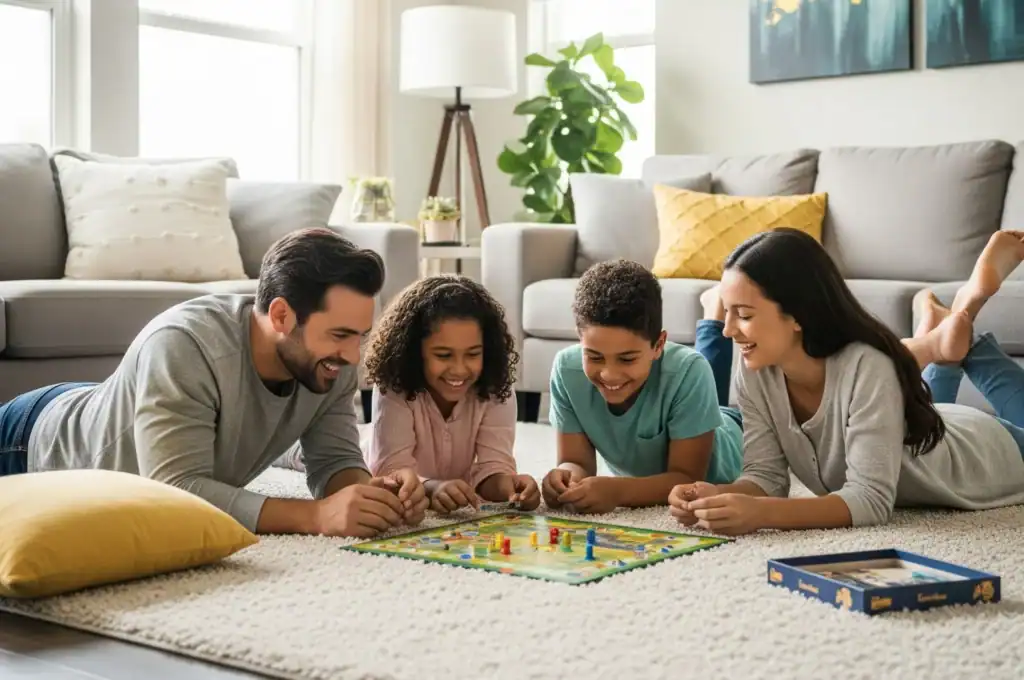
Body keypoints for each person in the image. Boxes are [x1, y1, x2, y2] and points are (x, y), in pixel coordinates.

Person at [0, 228, 428, 538]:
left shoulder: (330, 361)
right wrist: (315, 517)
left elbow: (334, 461)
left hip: (112, 408)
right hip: (29, 442)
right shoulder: (183, 345)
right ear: (281, 316)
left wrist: (375, 496)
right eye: (340, 335)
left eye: (360, 335)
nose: (354, 356)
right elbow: (175, 491)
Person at [669, 228, 1024, 535]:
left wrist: (761, 514)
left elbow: (870, 501)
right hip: (933, 429)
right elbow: (767, 476)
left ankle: (965, 329)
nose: (728, 330)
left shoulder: (867, 366)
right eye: (726, 312)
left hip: (990, 455)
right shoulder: (756, 368)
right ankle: (945, 341)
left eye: (743, 315)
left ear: (797, 315)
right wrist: (716, 495)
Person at [541, 259, 745, 514]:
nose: (609, 374)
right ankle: (712, 310)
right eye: (594, 357)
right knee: (693, 373)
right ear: (579, 338)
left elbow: (686, 478)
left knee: (697, 369)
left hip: (735, 429)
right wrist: (566, 478)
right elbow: (576, 462)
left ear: (659, 345)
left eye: (626, 359)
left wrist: (617, 492)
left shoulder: (688, 370)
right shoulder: (566, 370)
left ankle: (714, 312)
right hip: (682, 386)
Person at [361, 275, 541, 513]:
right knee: (302, 452)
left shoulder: (496, 387)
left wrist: (510, 486)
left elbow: (492, 468)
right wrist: (432, 488)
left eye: (473, 354)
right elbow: (391, 471)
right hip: (362, 448)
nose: (459, 369)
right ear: (414, 352)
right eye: (443, 355)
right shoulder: (395, 387)